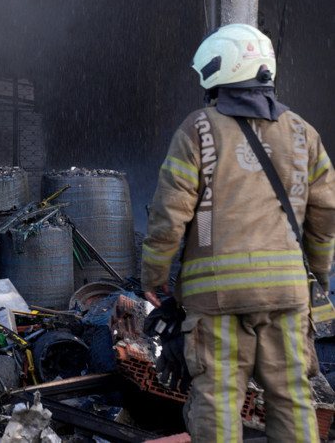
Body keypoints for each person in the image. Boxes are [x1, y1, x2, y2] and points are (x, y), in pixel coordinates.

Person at [141, 23, 335, 442]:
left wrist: (155, 279)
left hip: (217, 297)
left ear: (222, 69)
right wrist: (319, 272)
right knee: (291, 396)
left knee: (217, 398)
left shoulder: (198, 130)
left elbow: (170, 216)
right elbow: (324, 214)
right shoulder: (304, 132)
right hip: (286, 294)